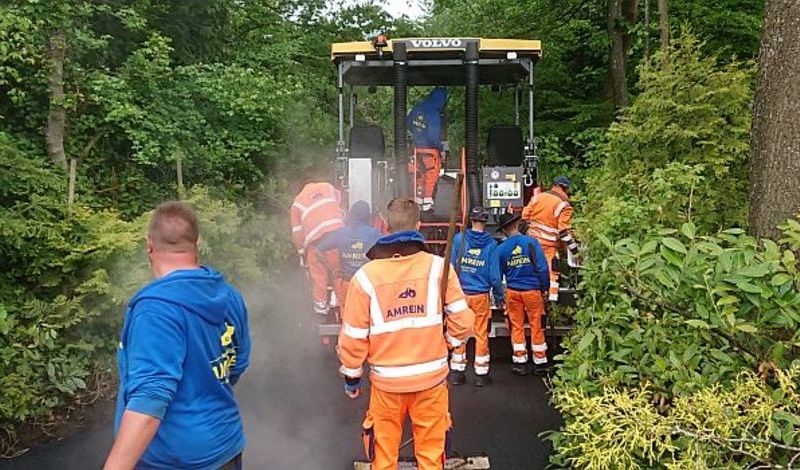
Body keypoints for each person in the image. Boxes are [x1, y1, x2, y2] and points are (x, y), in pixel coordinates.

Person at [105, 201, 250, 470]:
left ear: (149, 245)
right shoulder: (230, 296)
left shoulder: (156, 311)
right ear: (198, 242)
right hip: (226, 446)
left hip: (174, 460)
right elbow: (236, 366)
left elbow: (150, 398)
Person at [337, 198, 474, 470]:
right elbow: (463, 320)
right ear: (419, 225)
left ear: (386, 227)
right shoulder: (438, 268)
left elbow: (353, 336)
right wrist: (449, 344)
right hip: (431, 383)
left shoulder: (365, 278)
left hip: (387, 387)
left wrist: (352, 378)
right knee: (431, 458)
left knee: (384, 457)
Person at [448, 207, 504, 387]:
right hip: (480, 295)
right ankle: (481, 373)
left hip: (460, 294)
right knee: (481, 333)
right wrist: (498, 295)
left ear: (471, 221)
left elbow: (451, 266)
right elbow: (495, 275)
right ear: (485, 223)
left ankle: (457, 372)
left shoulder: (459, 239)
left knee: (459, 330)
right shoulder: (491, 245)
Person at [496, 211, 550, 376]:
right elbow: (542, 268)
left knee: (516, 326)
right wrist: (545, 288)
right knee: (537, 325)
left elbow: (499, 274)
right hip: (532, 291)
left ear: (504, 230)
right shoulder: (531, 243)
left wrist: (500, 296)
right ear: (517, 224)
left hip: (513, 292)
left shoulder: (501, 249)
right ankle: (540, 362)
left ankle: (520, 363)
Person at [290, 177, 346, 315]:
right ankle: (343, 306)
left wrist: (302, 254)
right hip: (336, 238)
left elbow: (297, 233)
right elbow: (340, 201)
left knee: (318, 278)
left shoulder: (297, 203)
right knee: (338, 272)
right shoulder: (327, 187)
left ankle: (321, 312)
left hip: (315, 244)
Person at [521, 175, 580, 302]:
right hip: (548, 247)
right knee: (551, 274)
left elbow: (524, 217)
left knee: (528, 271)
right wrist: (574, 250)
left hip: (530, 243)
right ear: (566, 189)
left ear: (553, 186)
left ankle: (530, 299)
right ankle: (551, 303)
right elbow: (563, 232)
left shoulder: (537, 197)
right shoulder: (564, 206)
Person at [316, 200, 381, 309]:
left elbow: (318, 251)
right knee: (366, 317)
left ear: (352, 214)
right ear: (368, 216)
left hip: (346, 285)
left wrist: (332, 269)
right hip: (366, 285)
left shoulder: (340, 233)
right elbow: (388, 253)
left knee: (347, 319)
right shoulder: (374, 234)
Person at [407, 87, 447, 211]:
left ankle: (417, 206)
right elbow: (433, 136)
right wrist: (441, 149)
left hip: (416, 150)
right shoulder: (433, 113)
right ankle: (427, 208)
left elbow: (408, 123)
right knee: (430, 177)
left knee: (418, 177)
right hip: (430, 152)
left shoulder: (418, 108)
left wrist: (418, 135)